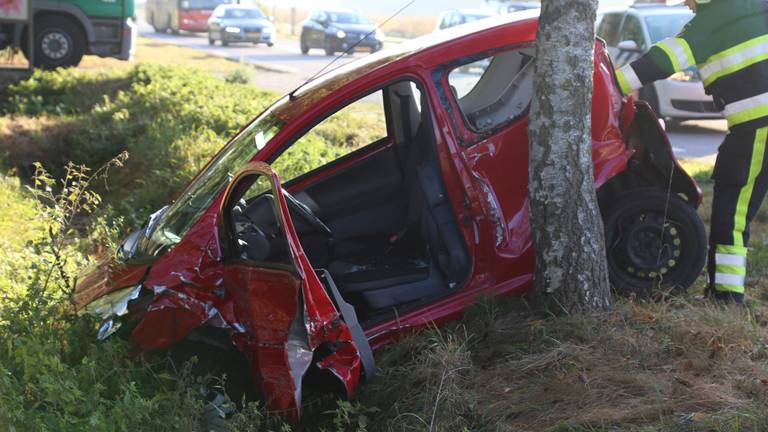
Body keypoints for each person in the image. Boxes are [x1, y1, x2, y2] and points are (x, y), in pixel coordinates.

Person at [614, 0, 768, 303]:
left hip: (756, 129)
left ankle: (725, 298)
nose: (686, 4)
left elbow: (660, 61)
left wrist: (609, 82)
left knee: (732, 213)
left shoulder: (709, 23)